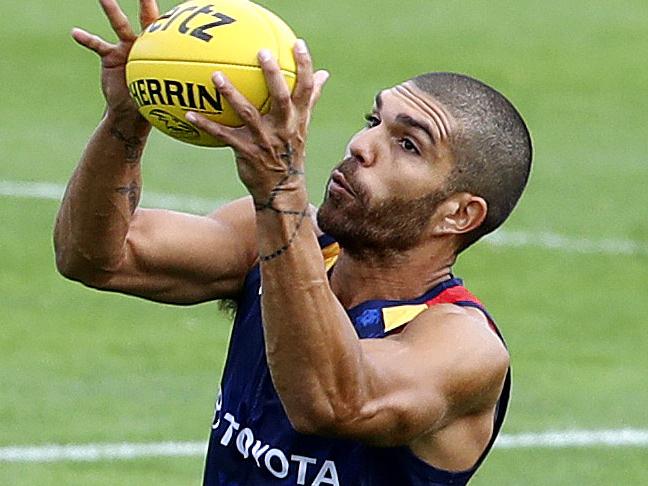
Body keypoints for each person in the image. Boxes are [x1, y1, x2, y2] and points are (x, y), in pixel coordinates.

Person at [55, 1, 532, 484]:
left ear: (460, 214)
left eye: (408, 145)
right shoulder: (272, 238)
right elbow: (96, 257)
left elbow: (334, 402)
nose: (361, 146)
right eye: (373, 122)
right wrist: (127, 120)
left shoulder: (463, 347)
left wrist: (280, 194)